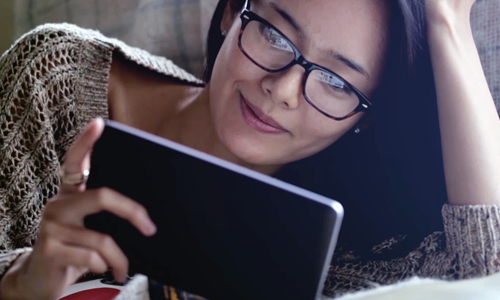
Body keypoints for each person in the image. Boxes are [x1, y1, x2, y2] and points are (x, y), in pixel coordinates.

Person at [0, 0, 499, 299]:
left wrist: (447, 23)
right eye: (276, 34)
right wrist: (22, 284)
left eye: (335, 82)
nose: (282, 89)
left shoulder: (338, 251)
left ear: (360, 121)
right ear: (232, 15)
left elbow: (488, 276)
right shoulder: (57, 81)